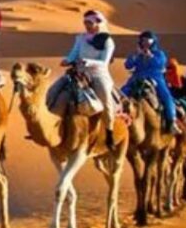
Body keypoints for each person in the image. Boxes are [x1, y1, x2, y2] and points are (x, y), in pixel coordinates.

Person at [45, 9, 118, 147]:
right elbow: (74, 53)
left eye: (89, 23)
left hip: (98, 74)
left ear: (98, 23)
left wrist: (88, 62)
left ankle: (109, 132)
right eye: (85, 23)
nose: (87, 26)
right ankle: (49, 126)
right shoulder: (81, 38)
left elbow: (104, 61)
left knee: (106, 100)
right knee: (54, 91)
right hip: (79, 72)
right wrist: (67, 60)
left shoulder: (108, 41)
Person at [121, 30, 177, 134]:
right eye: (143, 40)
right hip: (137, 77)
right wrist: (136, 56)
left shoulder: (159, 53)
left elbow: (160, 64)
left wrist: (150, 55)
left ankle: (172, 121)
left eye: (148, 40)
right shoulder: (136, 54)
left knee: (166, 97)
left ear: (153, 41)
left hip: (155, 78)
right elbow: (128, 65)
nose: (145, 42)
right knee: (122, 93)